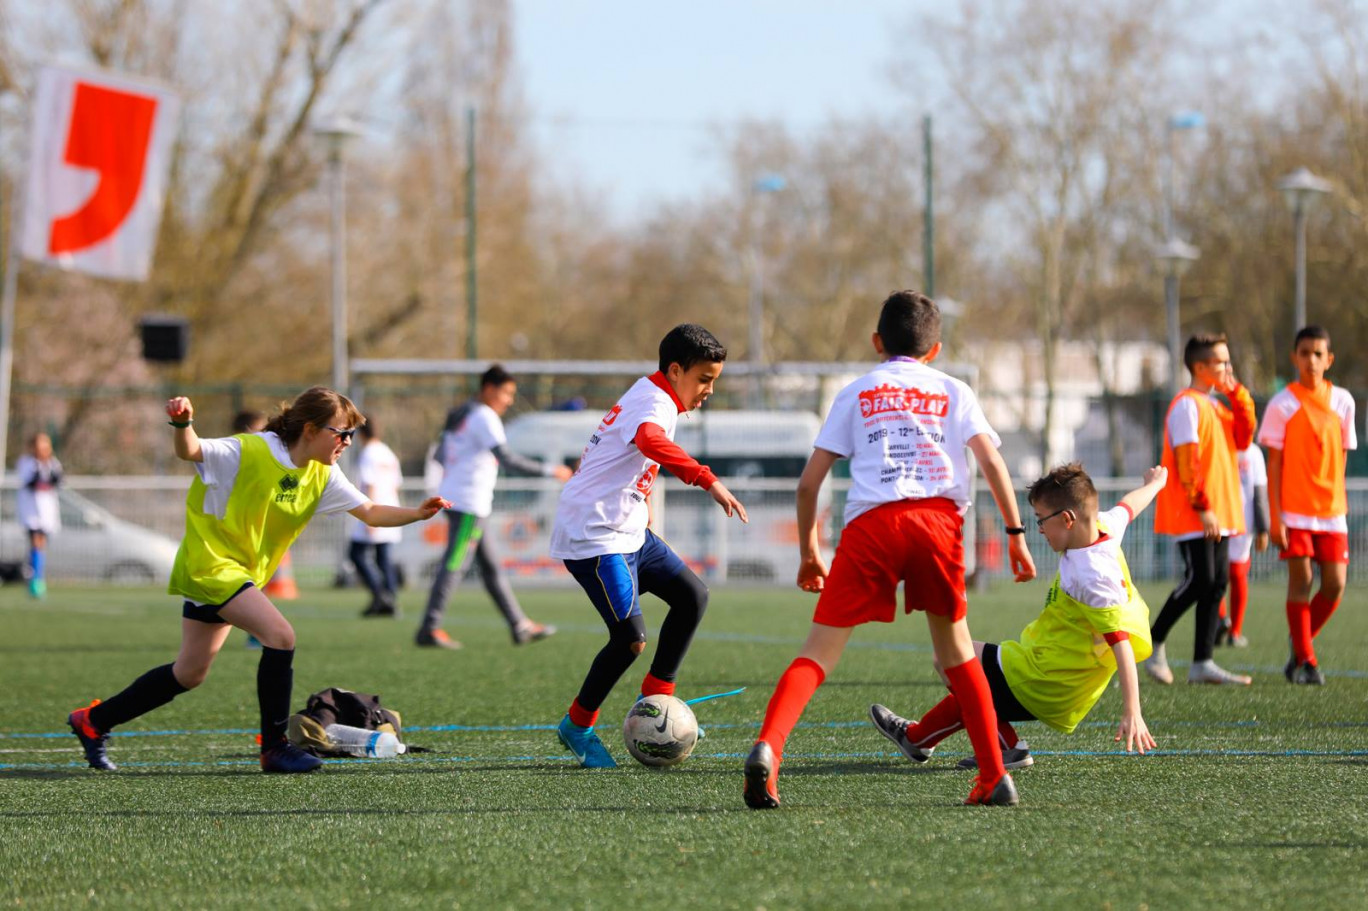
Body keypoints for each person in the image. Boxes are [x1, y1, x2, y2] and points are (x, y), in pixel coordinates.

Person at [742, 291, 1036, 810]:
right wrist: (1015, 537)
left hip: (871, 526)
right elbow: (992, 463)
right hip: (938, 524)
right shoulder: (954, 390)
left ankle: (769, 749)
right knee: (958, 655)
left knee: (816, 655)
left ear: (877, 342)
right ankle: (994, 775)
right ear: (936, 348)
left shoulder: (855, 392)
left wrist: (810, 551)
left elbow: (809, 484)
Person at [65, 387, 449, 773]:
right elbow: (191, 450)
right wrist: (182, 424)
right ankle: (275, 748)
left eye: (350, 435)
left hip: (239, 574)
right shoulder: (249, 450)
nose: (347, 442)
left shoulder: (322, 473)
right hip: (212, 565)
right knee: (281, 636)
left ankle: (93, 722)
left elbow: (369, 511)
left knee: (189, 672)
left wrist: (416, 513)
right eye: (342, 433)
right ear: (312, 429)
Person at [870, 463, 1164, 775]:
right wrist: (1155, 484)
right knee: (968, 674)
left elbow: (1121, 644)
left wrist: (1133, 709)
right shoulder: (1103, 526)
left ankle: (1006, 747)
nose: (1039, 529)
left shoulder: (1092, 574)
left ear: (1067, 519)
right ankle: (917, 739)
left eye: (1041, 520)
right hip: (1046, 666)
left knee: (951, 659)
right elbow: (1128, 507)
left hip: (1044, 678)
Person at [550, 324, 747, 768]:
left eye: (714, 380)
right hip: (595, 536)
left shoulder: (658, 395)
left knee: (692, 597)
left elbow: (630, 460)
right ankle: (577, 726)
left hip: (630, 531)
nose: (709, 390)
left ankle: (656, 707)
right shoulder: (654, 400)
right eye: (704, 379)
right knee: (630, 640)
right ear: (675, 371)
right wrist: (706, 478)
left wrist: (642, 507)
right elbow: (649, 442)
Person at [417, 365, 574, 649]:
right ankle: (429, 627)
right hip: (468, 503)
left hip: (466, 500)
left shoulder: (463, 414)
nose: (510, 400)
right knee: (455, 564)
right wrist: (552, 470)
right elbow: (507, 457)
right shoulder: (484, 416)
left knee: (490, 569)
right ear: (489, 389)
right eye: (507, 393)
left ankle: (519, 625)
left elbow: (441, 455)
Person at [1144, 333, 1255, 686]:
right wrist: (1203, 506)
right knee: (1200, 579)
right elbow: (1187, 460)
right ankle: (1153, 644)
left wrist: (1237, 391)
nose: (1227, 367)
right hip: (1196, 513)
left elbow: (1245, 436)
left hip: (1221, 512)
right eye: (1221, 362)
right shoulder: (1186, 405)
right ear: (1200, 367)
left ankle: (1202, 662)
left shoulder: (1219, 405)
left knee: (1216, 583)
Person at [1257, 326, 1357, 685]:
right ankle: (1307, 662)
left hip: (1331, 512)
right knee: (1302, 580)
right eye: (1304, 353)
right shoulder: (1282, 403)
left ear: (1329, 359)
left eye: (1318, 354)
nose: (1311, 360)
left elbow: (1341, 457)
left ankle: (1299, 641)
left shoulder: (1344, 401)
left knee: (1335, 585)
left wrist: (1338, 500)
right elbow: (1274, 465)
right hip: (1294, 511)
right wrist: (1275, 516)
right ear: (1294, 357)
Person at [1215, 443, 1269, 648]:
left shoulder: (1245, 451)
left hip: (1224, 521)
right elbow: (1260, 492)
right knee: (1236, 575)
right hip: (1235, 521)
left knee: (1220, 575)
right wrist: (1263, 527)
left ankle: (1223, 621)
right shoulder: (1252, 452)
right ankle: (1233, 630)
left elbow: (1259, 491)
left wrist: (1263, 528)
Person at [351, 419, 404, 618]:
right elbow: (396, 484)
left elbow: (370, 483)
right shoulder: (387, 452)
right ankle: (388, 600)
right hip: (391, 508)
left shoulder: (368, 454)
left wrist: (369, 516)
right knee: (384, 559)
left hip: (374, 510)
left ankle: (381, 596)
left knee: (356, 554)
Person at [16, 432, 62, 599]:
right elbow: (29, 483)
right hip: (31, 511)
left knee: (40, 545)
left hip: (47, 512)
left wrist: (50, 474)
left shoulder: (53, 463)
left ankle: (34, 576)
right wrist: (39, 473)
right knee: (36, 543)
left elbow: (58, 482)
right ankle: (37, 581)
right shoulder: (26, 462)